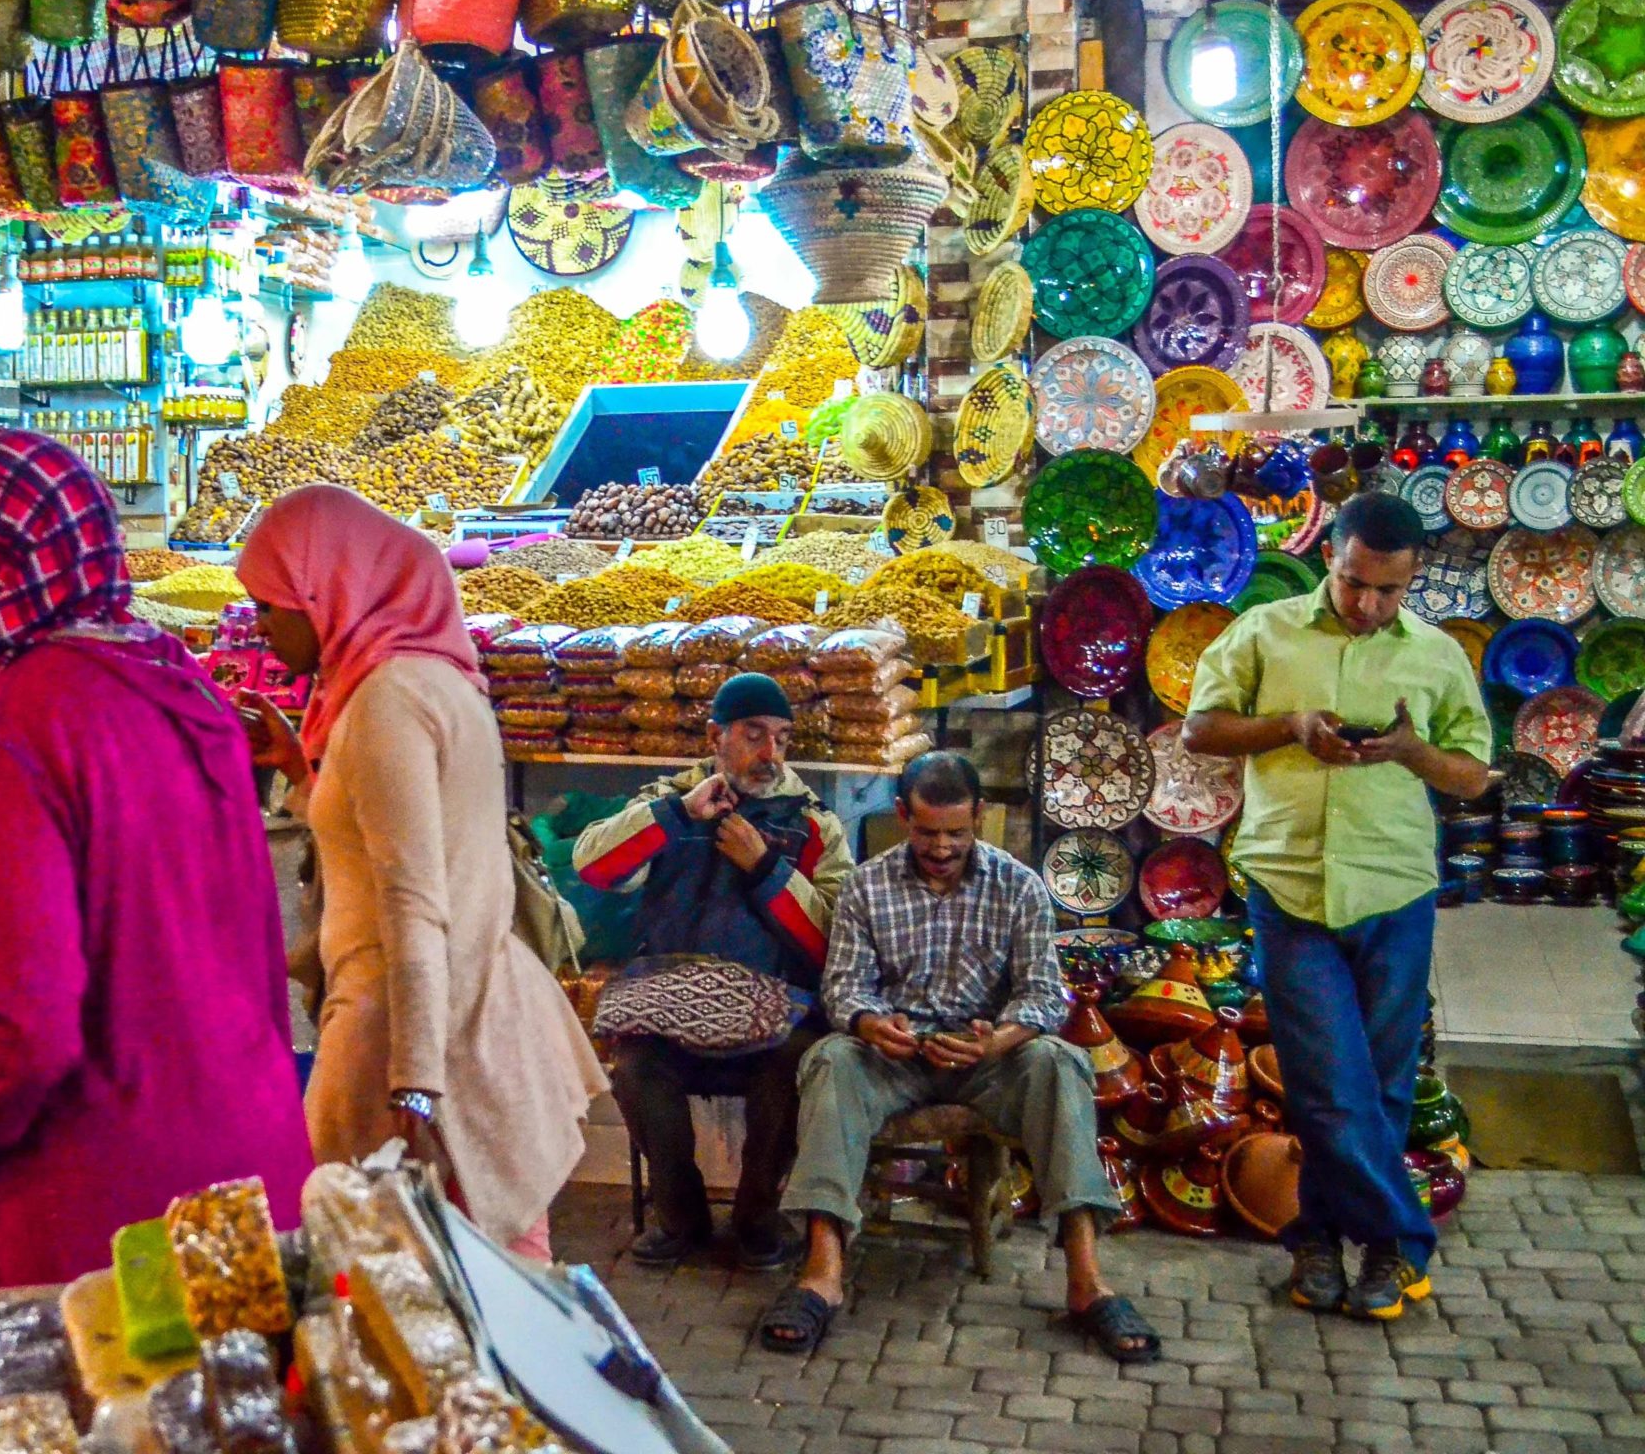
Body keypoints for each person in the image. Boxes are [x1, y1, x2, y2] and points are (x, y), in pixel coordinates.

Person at [0, 430, 311, 1287]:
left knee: (116, 1421)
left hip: (116, 1213)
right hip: (251, 1165)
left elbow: (13, 1034)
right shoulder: (181, 685)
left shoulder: (14, 730)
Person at [237, 484, 606, 1261]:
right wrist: (305, 774)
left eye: (271, 606)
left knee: (419, 1288)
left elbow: (412, 904)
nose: (261, 629)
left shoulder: (386, 701)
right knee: (495, 1277)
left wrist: (415, 1080)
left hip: (415, 1031)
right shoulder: (433, 677)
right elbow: (394, 843)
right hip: (470, 1005)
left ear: (322, 589)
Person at [1182, 491, 1491, 1321]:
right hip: (1290, 886)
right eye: (1356, 583)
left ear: (1411, 579)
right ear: (1332, 557)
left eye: (1389, 591)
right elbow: (1199, 730)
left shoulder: (1435, 655)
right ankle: (1403, 1238)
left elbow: (1471, 775)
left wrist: (1408, 750)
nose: (1368, 604)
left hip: (1395, 888)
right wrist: (1289, 726)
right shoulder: (1264, 631)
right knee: (1325, 1081)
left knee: (1383, 1084)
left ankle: (1322, 1240)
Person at [767, 752, 1157, 1363]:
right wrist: (872, 1024)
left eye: (957, 832)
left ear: (979, 815)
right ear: (902, 816)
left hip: (987, 1060)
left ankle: (1087, 1281)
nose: (942, 847)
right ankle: (822, 1273)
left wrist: (994, 1041)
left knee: (1060, 1063)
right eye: (927, 832)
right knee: (830, 1060)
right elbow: (844, 988)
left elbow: (1041, 994)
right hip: (897, 1058)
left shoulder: (1019, 886)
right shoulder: (867, 887)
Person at [571, 672, 854, 1269]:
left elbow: (832, 939)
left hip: (773, 1018)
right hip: (668, 1009)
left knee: (794, 1067)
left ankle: (757, 1217)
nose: (769, 754)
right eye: (754, 734)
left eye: (781, 738)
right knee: (638, 1068)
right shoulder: (669, 799)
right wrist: (676, 815)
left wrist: (765, 869)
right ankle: (682, 1217)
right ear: (715, 736)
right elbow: (593, 868)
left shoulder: (812, 825)